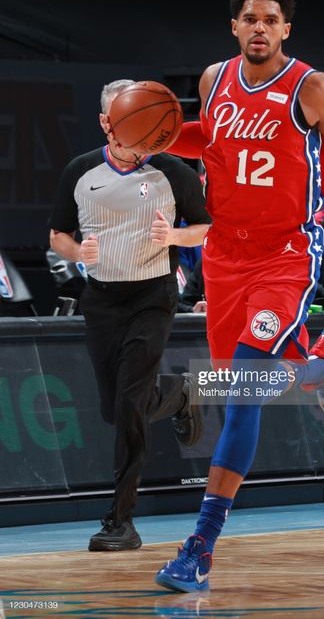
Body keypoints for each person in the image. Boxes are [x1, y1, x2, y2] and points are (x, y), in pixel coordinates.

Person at [107, 0, 324, 590]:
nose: (259, 27)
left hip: (287, 255)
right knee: (241, 385)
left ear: (287, 29)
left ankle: (200, 546)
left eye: (271, 19)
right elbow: (209, 140)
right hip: (225, 257)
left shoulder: (314, 88)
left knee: (245, 391)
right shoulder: (213, 80)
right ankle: (319, 363)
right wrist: (142, 134)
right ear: (235, 27)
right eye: (249, 18)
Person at [49, 79, 211, 551]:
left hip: (153, 299)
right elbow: (58, 234)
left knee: (128, 406)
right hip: (101, 299)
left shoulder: (174, 171)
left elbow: (203, 228)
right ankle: (180, 394)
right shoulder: (80, 171)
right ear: (107, 121)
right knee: (113, 408)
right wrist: (79, 251)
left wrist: (173, 238)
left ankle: (120, 521)